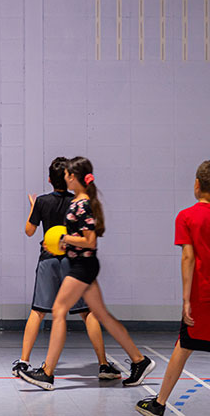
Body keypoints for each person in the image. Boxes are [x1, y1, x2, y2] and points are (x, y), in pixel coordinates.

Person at [19, 156, 155, 390]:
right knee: (101, 316)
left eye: (69, 175)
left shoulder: (82, 204)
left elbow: (89, 242)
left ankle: (48, 373)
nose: (67, 178)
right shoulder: (79, 202)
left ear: (74, 178)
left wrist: (63, 240)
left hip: (82, 266)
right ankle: (139, 360)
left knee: (59, 310)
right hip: (80, 265)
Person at [13, 157, 121, 380]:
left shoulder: (42, 202)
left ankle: (23, 362)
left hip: (48, 260)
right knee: (86, 312)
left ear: (49, 179)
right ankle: (103, 365)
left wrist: (34, 208)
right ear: (68, 178)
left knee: (38, 311)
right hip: (72, 261)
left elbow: (29, 231)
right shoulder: (77, 202)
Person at [135, 161, 210, 415]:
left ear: (197, 185)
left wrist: (186, 300)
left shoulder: (186, 217)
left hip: (202, 295)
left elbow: (188, 258)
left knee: (184, 346)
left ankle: (159, 403)